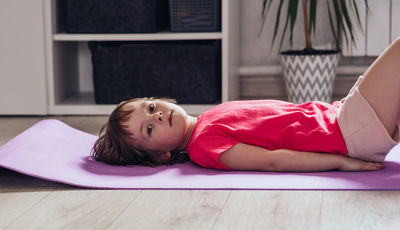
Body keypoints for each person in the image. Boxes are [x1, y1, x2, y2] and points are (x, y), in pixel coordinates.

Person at [91, 37, 400, 172]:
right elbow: (273, 160)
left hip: (341, 116)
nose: (157, 115)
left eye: (150, 107)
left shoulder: (209, 117)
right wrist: (340, 162)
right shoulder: (203, 145)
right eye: (149, 128)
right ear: (162, 155)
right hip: (348, 132)